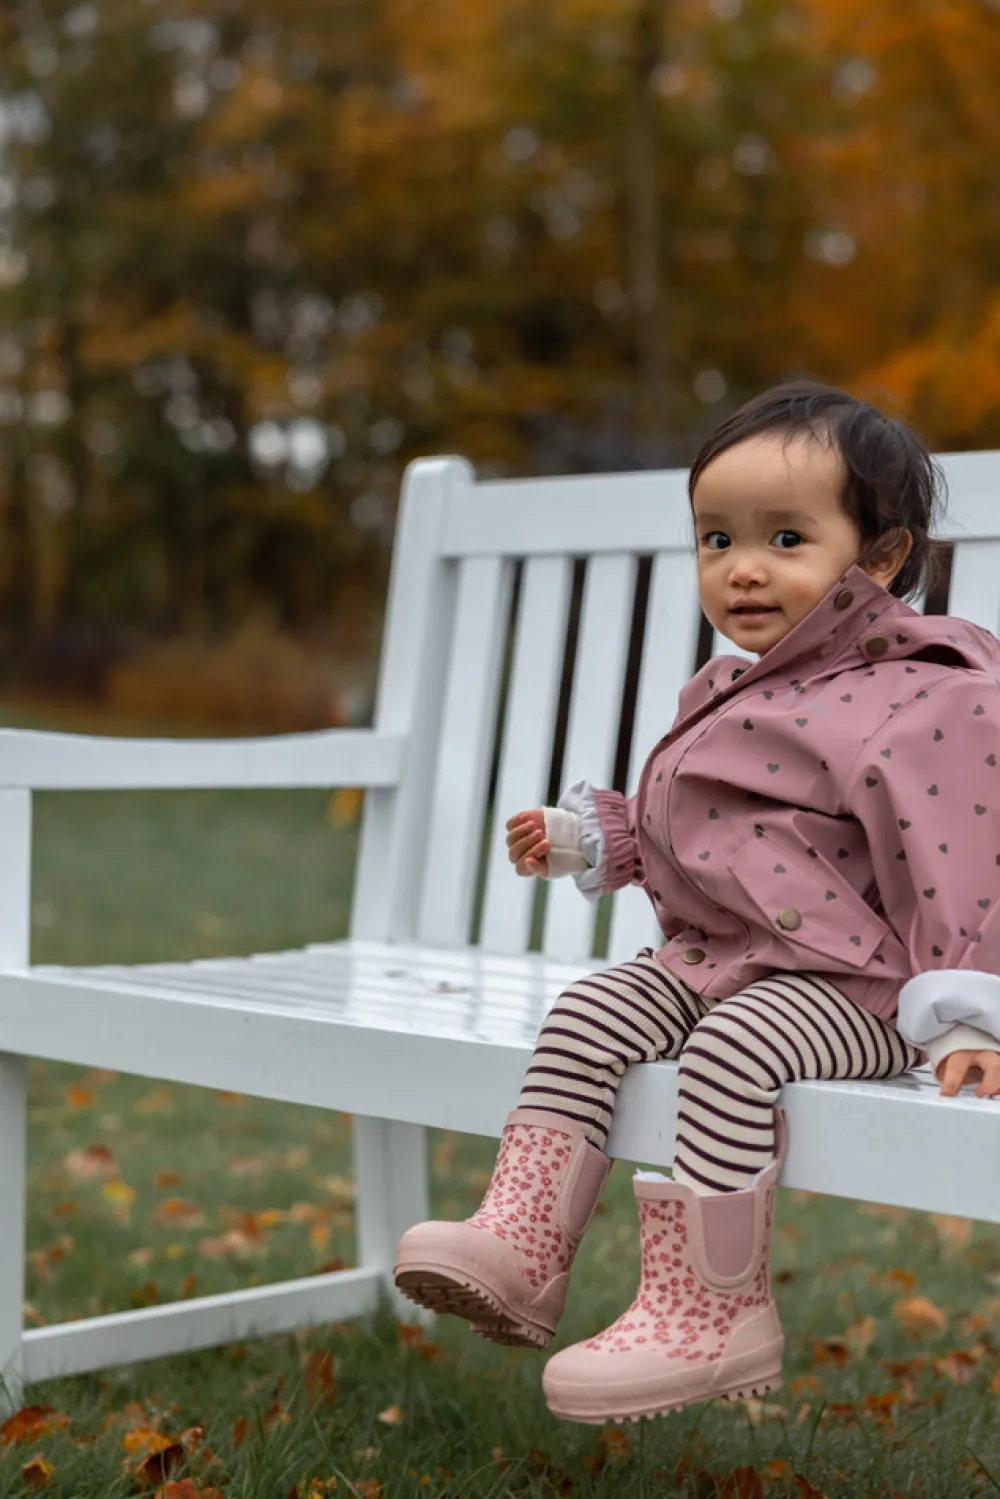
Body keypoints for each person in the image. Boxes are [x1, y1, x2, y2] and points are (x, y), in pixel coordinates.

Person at [394, 380, 1000, 1425]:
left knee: (731, 1051)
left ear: (882, 558)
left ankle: (714, 1311)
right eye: (716, 538)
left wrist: (968, 1012)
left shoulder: (930, 695)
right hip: (721, 959)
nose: (742, 567)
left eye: (784, 537)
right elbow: (720, 834)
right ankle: (523, 1242)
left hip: (852, 986)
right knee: (589, 1011)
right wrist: (604, 837)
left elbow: (964, 856)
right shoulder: (737, 686)